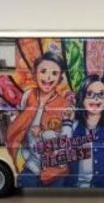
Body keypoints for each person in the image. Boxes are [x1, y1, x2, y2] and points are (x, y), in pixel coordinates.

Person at [5, 51, 71, 187]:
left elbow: (66, 140)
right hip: (31, 167)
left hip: (55, 171)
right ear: (35, 74)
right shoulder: (28, 95)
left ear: (60, 78)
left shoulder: (64, 104)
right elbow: (20, 126)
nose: (48, 77)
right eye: (43, 71)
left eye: (54, 73)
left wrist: (42, 134)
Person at [63, 76, 104, 188]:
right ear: (82, 97)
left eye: (101, 94)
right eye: (89, 94)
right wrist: (67, 123)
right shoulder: (73, 125)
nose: (96, 98)